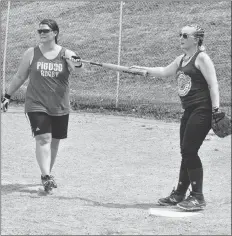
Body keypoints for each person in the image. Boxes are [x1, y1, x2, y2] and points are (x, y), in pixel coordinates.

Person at [130, 24, 221, 211]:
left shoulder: (202, 58)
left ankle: (198, 196)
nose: (181, 37)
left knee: (189, 150)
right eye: (180, 34)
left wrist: (217, 110)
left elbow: (213, 85)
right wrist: (141, 69)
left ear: (196, 39)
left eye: (185, 35)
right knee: (185, 151)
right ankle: (180, 193)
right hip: (189, 110)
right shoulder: (181, 59)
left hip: (202, 110)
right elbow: (164, 72)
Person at [1, 19, 84, 192]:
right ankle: (46, 175)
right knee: (43, 138)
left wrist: (77, 62)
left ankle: (47, 175)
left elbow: (79, 69)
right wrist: (7, 96)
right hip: (36, 103)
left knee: (54, 142)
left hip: (59, 105)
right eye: (39, 31)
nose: (42, 34)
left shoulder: (66, 53)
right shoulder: (31, 53)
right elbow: (19, 76)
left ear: (55, 33)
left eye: (45, 31)